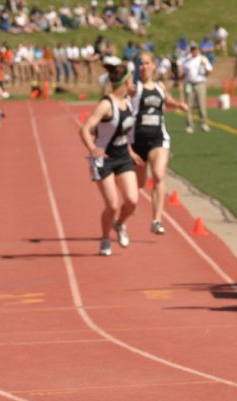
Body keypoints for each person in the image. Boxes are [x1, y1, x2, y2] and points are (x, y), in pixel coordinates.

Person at [79, 62, 141, 256]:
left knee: (132, 201)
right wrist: (92, 148)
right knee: (112, 204)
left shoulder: (128, 101)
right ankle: (105, 239)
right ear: (127, 80)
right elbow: (84, 128)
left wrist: (130, 151)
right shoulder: (107, 104)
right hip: (104, 158)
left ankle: (120, 224)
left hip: (123, 156)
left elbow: (124, 131)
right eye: (132, 77)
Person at [131, 51, 188, 235]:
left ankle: (156, 220)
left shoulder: (160, 86)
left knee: (158, 175)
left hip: (158, 138)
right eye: (141, 64)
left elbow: (167, 101)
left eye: (147, 63)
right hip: (137, 141)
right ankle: (131, 204)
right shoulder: (133, 88)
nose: (144, 67)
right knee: (139, 184)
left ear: (153, 66)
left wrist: (178, 105)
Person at [181, 42, 212, 133]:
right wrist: (180, 81)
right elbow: (184, 73)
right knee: (189, 105)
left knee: (201, 104)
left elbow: (209, 72)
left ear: (198, 50)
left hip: (200, 83)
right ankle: (189, 125)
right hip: (189, 84)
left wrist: (204, 66)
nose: (194, 51)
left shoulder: (203, 59)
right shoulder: (187, 60)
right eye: (192, 49)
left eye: (195, 49)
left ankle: (204, 123)